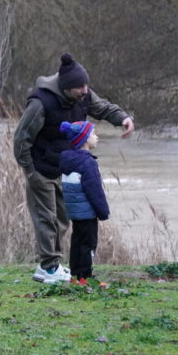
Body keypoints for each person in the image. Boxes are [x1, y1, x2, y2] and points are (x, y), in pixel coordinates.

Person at [13, 53, 133, 284]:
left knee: (62, 219)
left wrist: (123, 118)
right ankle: (49, 268)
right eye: (80, 87)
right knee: (46, 218)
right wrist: (29, 171)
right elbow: (21, 139)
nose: (85, 90)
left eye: (86, 85)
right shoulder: (40, 103)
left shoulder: (82, 95)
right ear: (66, 88)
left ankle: (49, 265)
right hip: (40, 168)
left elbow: (102, 108)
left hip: (65, 168)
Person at [59, 120, 109, 283]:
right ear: (85, 139)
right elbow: (94, 190)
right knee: (88, 243)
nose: (97, 137)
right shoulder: (87, 162)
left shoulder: (67, 160)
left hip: (74, 211)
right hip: (87, 211)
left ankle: (76, 271)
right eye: (93, 134)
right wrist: (103, 211)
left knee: (77, 240)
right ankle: (85, 275)